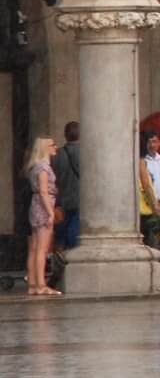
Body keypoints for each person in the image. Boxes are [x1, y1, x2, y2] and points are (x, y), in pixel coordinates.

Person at [22, 136, 58, 297]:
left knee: (34, 248)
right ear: (45, 148)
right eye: (52, 145)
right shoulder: (44, 168)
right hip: (43, 207)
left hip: (35, 206)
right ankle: (41, 285)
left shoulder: (35, 167)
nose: (55, 147)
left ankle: (32, 284)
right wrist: (51, 212)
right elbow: (43, 191)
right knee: (42, 250)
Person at [50, 120, 80, 254]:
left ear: (65, 135)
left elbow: (53, 176)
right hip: (79, 199)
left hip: (61, 200)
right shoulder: (85, 153)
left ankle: (59, 264)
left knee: (60, 236)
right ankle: (70, 261)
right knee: (74, 234)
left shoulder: (57, 154)